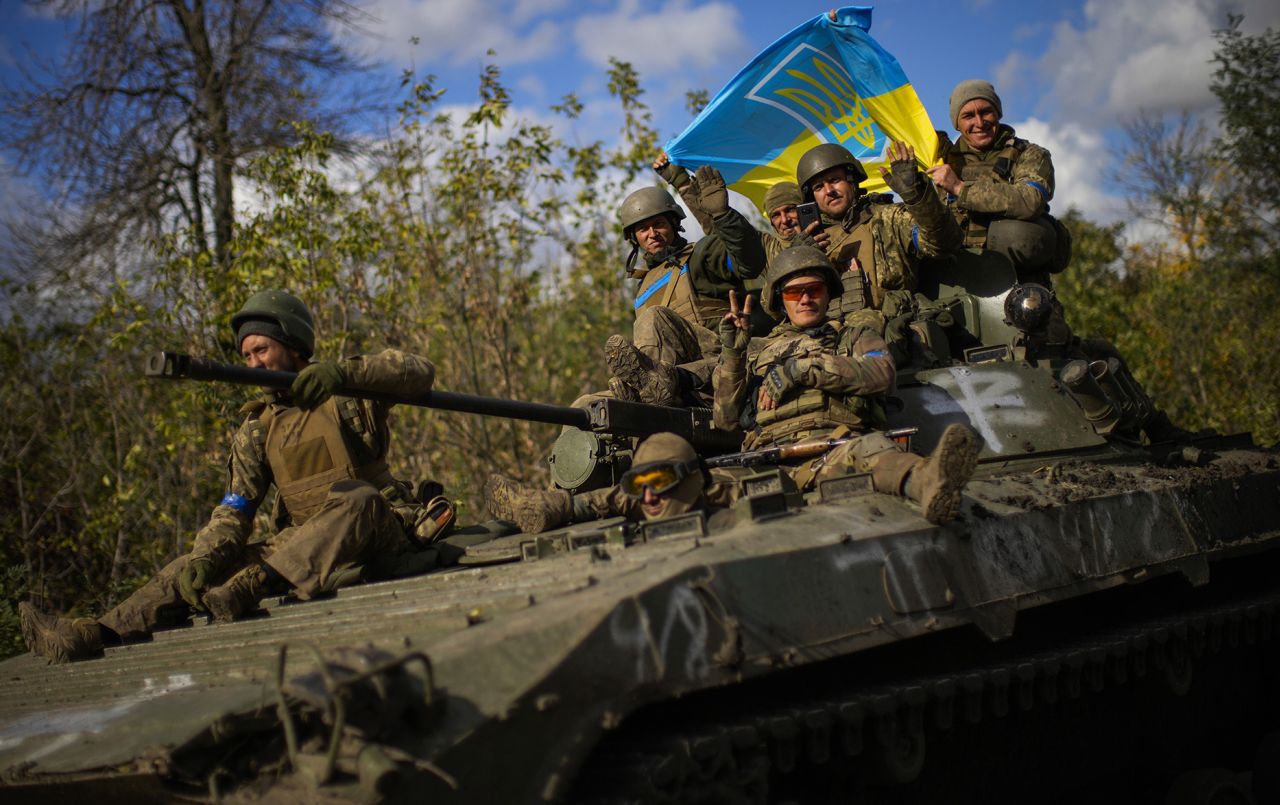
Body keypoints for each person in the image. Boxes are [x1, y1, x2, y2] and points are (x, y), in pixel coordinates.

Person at [20, 290, 452, 664]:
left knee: (357, 498)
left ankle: (254, 585)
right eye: (246, 355)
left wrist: (343, 373)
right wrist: (208, 557)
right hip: (297, 548)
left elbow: (418, 371)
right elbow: (235, 508)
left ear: (294, 346)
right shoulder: (257, 429)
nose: (253, 363)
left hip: (377, 531)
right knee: (189, 567)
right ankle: (93, 634)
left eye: (262, 350)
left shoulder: (349, 395)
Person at [713, 246, 979, 524]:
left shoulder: (854, 336)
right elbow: (726, 420)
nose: (805, 299)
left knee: (875, 451)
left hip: (837, 452)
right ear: (781, 301)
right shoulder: (756, 353)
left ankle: (931, 485)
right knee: (705, 485)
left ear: (828, 294)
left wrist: (803, 369)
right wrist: (732, 355)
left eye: (814, 289)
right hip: (765, 466)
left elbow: (882, 373)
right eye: (794, 293)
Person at [604, 159, 768, 407]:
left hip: (719, 358)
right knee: (589, 405)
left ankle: (650, 389)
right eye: (643, 229)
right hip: (675, 375)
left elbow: (749, 261)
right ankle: (643, 389)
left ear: (674, 223)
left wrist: (723, 216)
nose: (652, 233)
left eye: (658, 224)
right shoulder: (642, 287)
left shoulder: (700, 256)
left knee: (653, 318)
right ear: (633, 237)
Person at [795, 140, 963, 323]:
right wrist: (798, 261)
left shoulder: (888, 218)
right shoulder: (810, 240)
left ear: (852, 181)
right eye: (818, 187)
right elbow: (776, 308)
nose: (829, 191)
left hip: (893, 330)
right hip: (832, 337)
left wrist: (918, 198)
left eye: (835, 180)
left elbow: (943, 244)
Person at [927, 79, 1062, 285]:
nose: (979, 123)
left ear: (998, 113)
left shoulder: (1030, 154)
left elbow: (1030, 200)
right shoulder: (938, 159)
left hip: (1019, 282)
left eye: (986, 112)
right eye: (968, 116)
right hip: (956, 280)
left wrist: (960, 188)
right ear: (957, 122)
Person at [484, 433, 736, 534]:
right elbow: (616, 497)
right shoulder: (643, 501)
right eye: (638, 485)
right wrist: (560, 507)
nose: (648, 498)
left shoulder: (730, 494)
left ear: (692, 477)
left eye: (660, 482)